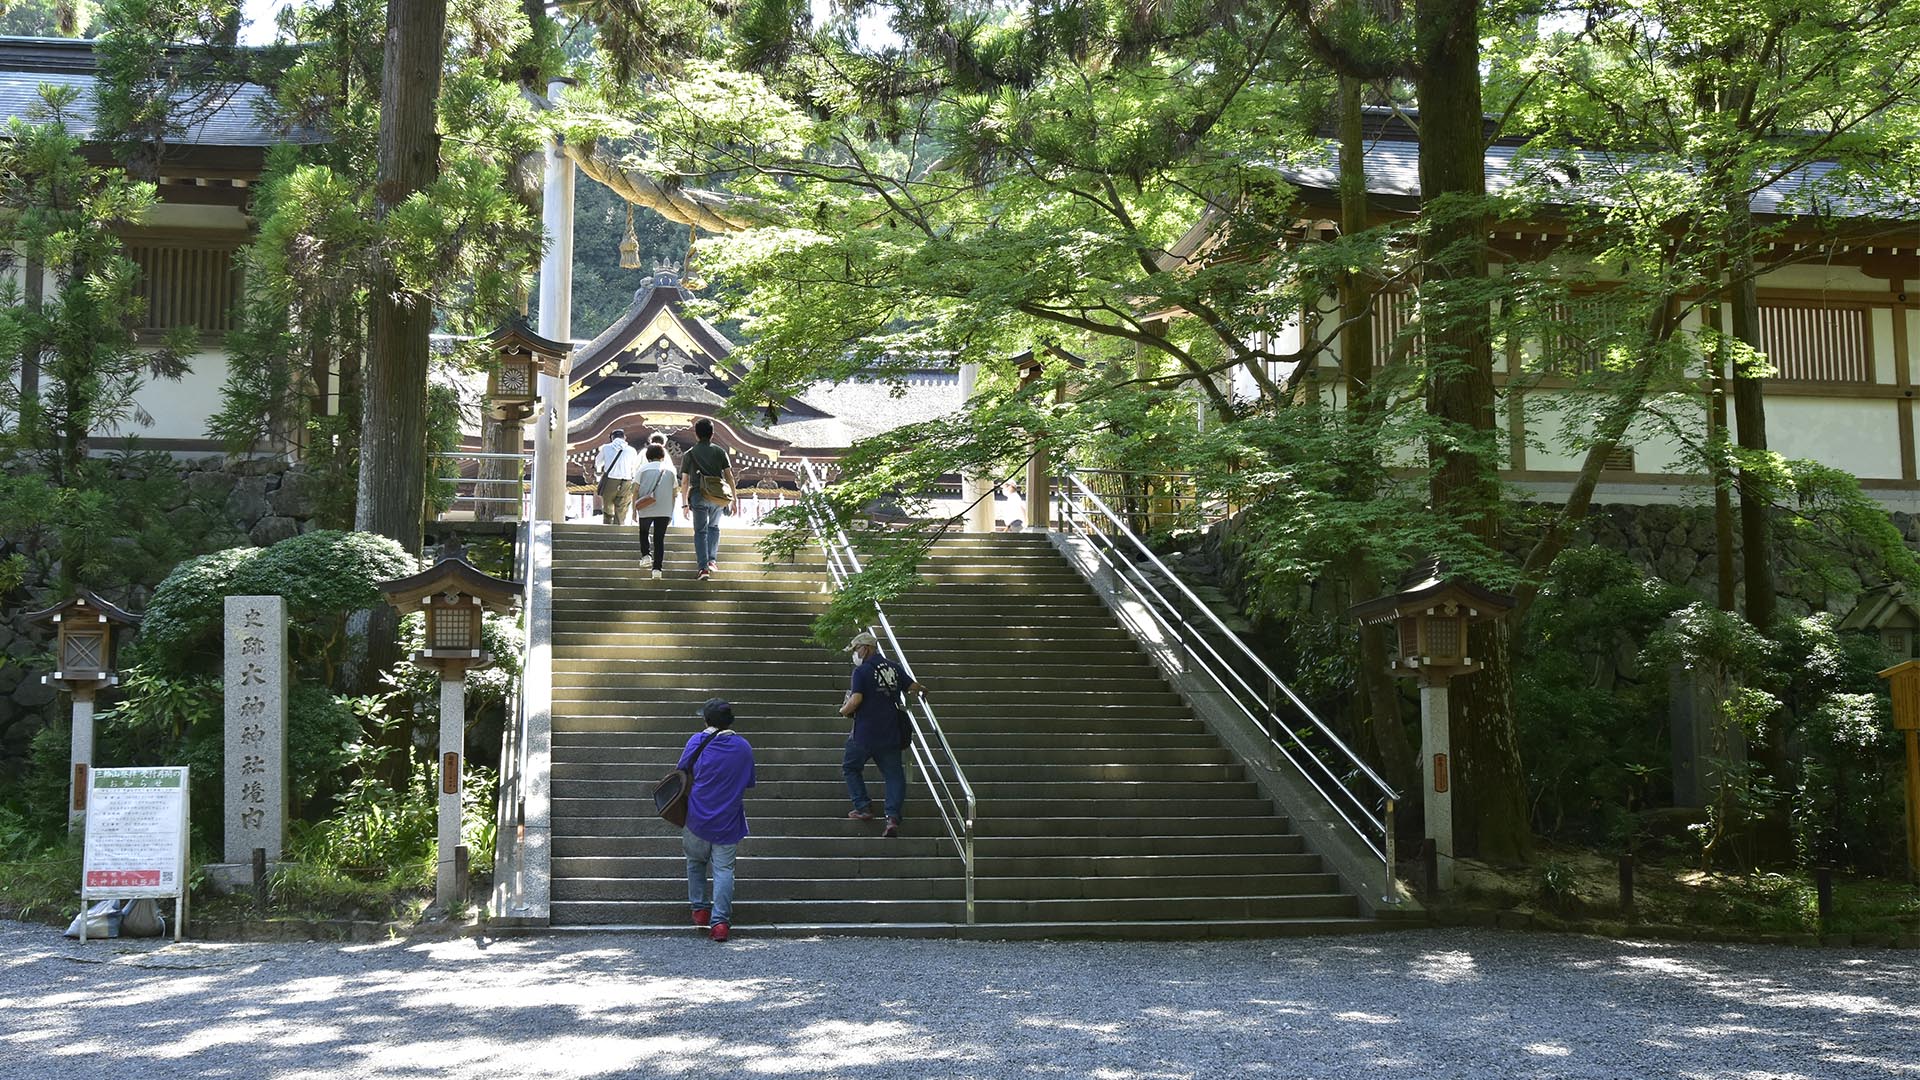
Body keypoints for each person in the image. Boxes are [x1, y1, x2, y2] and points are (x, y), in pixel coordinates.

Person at [679, 697, 756, 942]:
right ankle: (720, 923)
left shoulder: (697, 741)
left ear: (707, 720)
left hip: (697, 816)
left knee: (695, 862)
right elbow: (749, 781)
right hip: (729, 819)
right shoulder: (743, 747)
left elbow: (681, 769)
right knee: (724, 870)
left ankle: (700, 909)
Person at [840, 630, 925, 838]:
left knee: (850, 766)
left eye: (856, 649)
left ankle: (863, 807)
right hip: (890, 731)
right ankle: (893, 817)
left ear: (866, 648)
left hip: (865, 733)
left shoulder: (861, 672)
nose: (854, 654)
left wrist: (843, 710)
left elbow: (857, 699)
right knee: (894, 775)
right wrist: (924, 690)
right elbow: (913, 686)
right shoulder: (894, 667)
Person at [678, 418, 738, 580]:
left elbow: (684, 480)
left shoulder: (689, 454)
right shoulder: (720, 452)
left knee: (700, 531)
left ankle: (703, 568)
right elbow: (729, 477)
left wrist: (684, 504)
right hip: (718, 496)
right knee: (714, 527)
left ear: (696, 434)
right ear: (712, 434)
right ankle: (712, 560)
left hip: (698, 495)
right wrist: (734, 499)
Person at [633, 444, 677, 579]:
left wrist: (633, 510)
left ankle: (646, 555)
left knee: (644, 531)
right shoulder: (670, 471)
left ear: (647, 456)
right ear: (662, 456)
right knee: (659, 539)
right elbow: (675, 493)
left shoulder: (642, 469)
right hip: (664, 509)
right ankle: (657, 569)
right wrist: (671, 511)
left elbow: (635, 490)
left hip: (645, 506)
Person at [595, 429, 639, 526]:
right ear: (624, 437)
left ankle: (607, 527)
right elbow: (634, 467)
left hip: (611, 480)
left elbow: (598, 462)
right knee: (622, 506)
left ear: (612, 438)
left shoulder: (606, 448)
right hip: (627, 480)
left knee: (608, 505)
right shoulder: (632, 450)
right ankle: (618, 527)